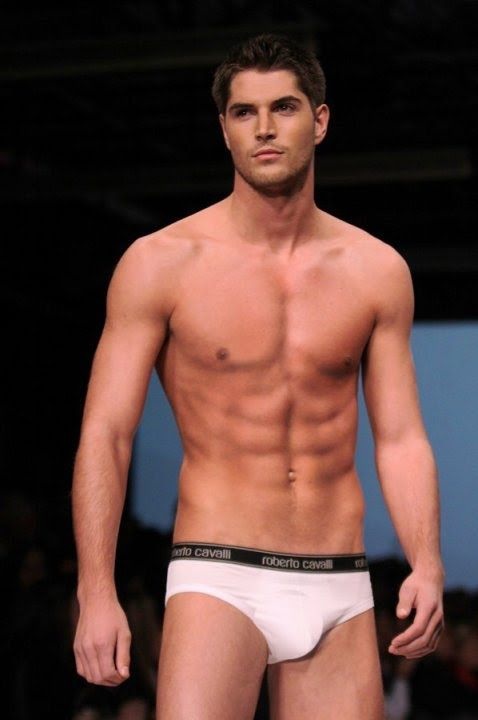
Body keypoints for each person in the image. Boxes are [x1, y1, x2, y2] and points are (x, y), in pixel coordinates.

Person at [72, 33, 445, 720]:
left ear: (320, 120)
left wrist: (427, 561)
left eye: (284, 107)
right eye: (245, 112)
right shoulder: (161, 263)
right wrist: (95, 590)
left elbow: (399, 437)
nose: (265, 128)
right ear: (224, 129)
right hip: (219, 572)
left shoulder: (376, 270)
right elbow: (107, 432)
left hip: (337, 579)